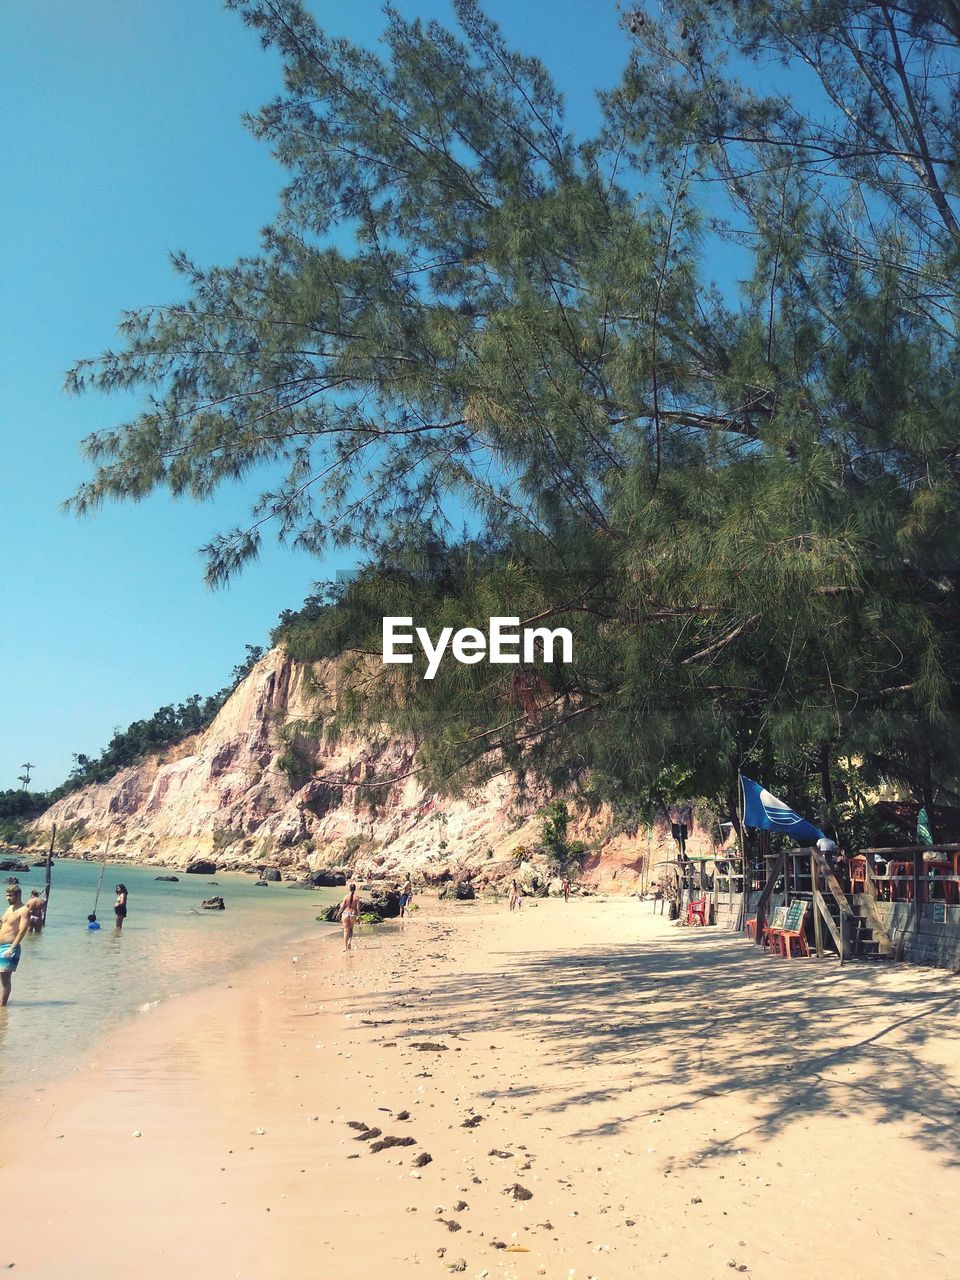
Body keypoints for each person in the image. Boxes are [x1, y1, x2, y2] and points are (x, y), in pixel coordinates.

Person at [0, 884, 31, 1007]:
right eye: (7, 895)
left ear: (18, 895)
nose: (7, 898)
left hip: (9, 947)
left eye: (10, 895)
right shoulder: (10, 908)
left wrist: (12, 948)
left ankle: (3, 1006)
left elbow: (22, 931)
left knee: (5, 979)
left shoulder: (24, 910)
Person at [339, 883, 360, 951]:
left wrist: (338, 914)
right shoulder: (357, 897)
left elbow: (342, 907)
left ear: (349, 889)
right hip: (352, 914)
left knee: (345, 931)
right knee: (351, 929)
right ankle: (349, 942)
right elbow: (358, 908)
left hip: (345, 914)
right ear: (355, 889)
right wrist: (359, 916)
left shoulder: (346, 896)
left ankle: (345, 947)